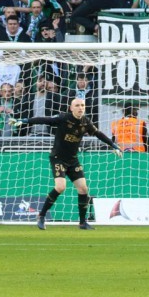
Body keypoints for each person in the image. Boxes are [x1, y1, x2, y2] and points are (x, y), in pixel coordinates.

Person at [25, 98, 122, 230]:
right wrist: (25, 121)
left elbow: (98, 133)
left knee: (83, 189)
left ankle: (82, 223)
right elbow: (44, 119)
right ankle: (41, 216)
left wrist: (113, 145)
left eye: (82, 105)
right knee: (60, 187)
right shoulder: (63, 118)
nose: (80, 108)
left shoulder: (85, 122)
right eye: (77, 105)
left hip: (73, 159)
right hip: (58, 158)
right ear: (71, 108)